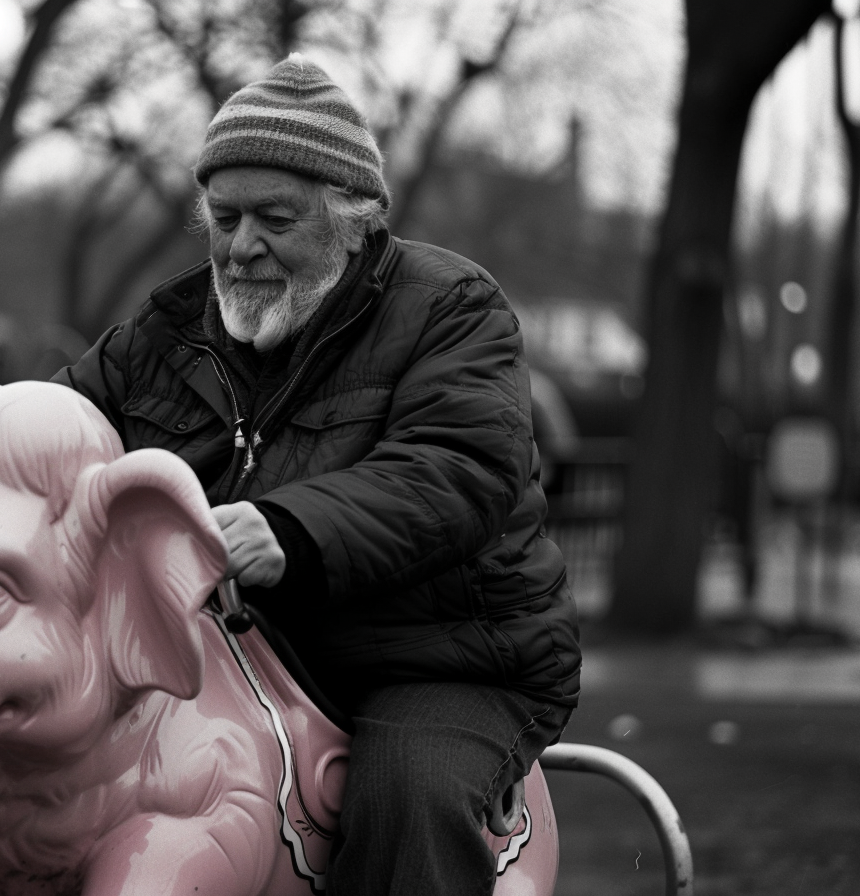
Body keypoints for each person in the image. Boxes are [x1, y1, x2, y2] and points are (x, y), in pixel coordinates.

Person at [53, 53, 580, 895]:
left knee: (408, 790)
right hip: (228, 654)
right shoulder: (167, 329)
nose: (242, 245)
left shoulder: (451, 307)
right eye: (224, 217)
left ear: (354, 221)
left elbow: (457, 469)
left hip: (435, 658)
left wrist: (291, 531)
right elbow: (53, 430)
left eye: (274, 218)